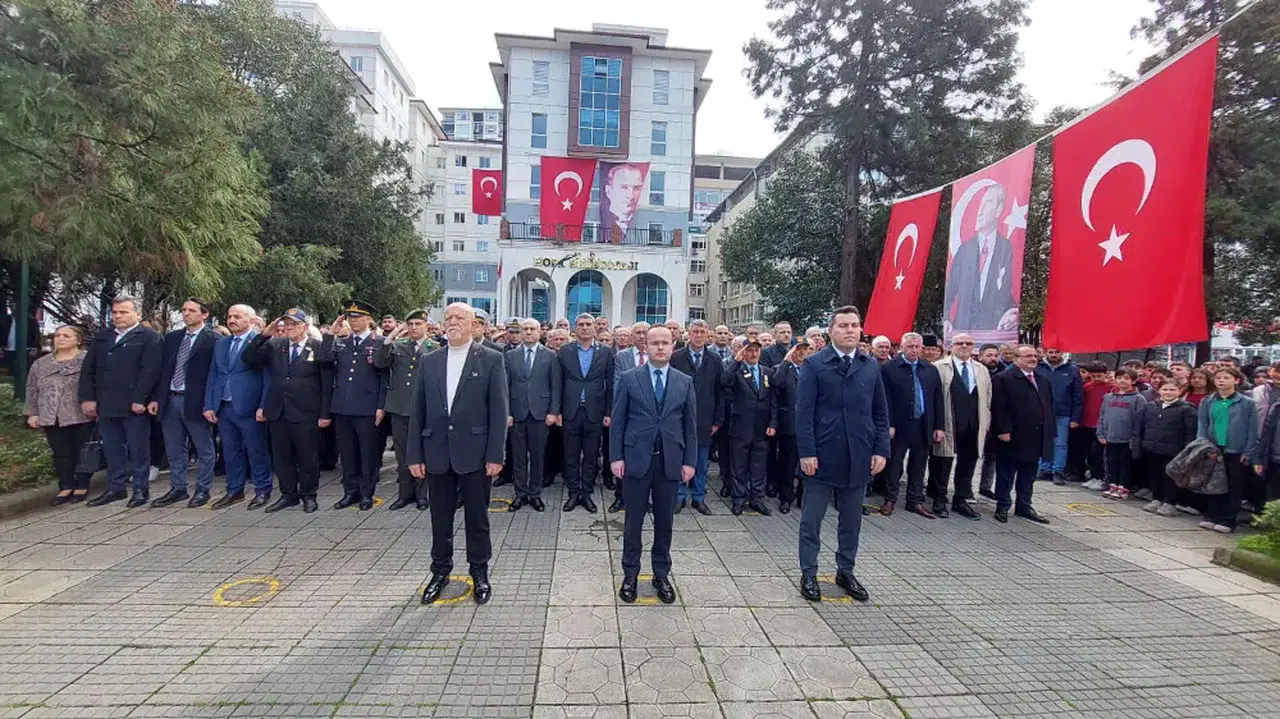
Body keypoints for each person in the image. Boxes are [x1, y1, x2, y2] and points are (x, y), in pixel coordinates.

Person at [410, 302, 507, 605]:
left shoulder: (491, 359)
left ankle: (480, 573)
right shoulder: (430, 360)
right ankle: (440, 572)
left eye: (459, 318)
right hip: (437, 452)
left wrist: (496, 455)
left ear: (473, 323)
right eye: (448, 317)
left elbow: (498, 410)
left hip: (475, 454)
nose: (452, 322)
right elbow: (418, 410)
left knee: (477, 518)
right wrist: (414, 455)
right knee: (440, 518)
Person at [796, 306, 889, 602]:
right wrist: (807, 452)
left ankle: (845, 571)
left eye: (854, 325)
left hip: (858, 453)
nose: (850, 330)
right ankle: (808, 573)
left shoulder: (869, 365)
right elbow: (803, 412)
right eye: (843, 326)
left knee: (851, 521)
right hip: (822, 455)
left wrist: (881, 449)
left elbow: (880, 412)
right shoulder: (814, 364)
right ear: (831, 331)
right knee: (812, 520)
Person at [610, 326, 696, 604]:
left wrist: (690, 461)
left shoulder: (684, 381)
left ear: (673, 345)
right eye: (654, 343)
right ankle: (630, 574)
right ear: (645, 346)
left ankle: (661, 574)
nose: (660, 347)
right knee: (633, 521)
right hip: (636, 460)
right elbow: (618, 421)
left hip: (670, 462)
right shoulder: (629, 379)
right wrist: (616, 457)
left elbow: (690, 426)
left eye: (665, 343)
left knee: (665, 522)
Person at [241, 308, 332, 513]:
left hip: (306, 412)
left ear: (305, 326)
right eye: (287, 324)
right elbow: (248, 358)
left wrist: (325, 413)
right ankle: (288, 495)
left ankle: (309, 495)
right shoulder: (275, 345)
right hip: (278, 411)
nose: (290, 328)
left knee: (308, 457)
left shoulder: (317, 346)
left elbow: (326, 383)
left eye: (294, 324)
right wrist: (264, 334)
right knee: (282, 457)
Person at [79, 296, 164, 507]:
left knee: (138, 449)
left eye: (124, 312)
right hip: (106, 401)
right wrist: (87, 398)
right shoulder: (103, 337)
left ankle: (140, 490)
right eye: (115, 312)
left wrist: (141, 399)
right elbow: (89, 370)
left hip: (134, 403)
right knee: (111, 447)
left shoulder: (149, 337)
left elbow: (150, 371)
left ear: (137, 314)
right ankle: (115, 488)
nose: (118, 316)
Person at [148, 298, 219, 508]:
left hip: (195, 400)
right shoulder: (173, 338)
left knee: (204, 448)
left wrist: (210, 404)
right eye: (184, 310)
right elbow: (163, 370)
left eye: (192, 310)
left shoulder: (214, 339)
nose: (186, 313)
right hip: (170, 398)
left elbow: (215, 375)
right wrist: (156, 398)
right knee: (174, 448)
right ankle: (178, 488)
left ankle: (203, 489)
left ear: (204, 314)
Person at [319, 300, 387, 511]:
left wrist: (381, 405)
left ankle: (366, 493)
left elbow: (384, 377)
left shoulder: (379, 343)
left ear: (368, 319)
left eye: (358, 317)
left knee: (368, 454)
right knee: (347, 454)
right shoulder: (341, 342)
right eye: (350, 317)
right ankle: (350, 491)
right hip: (343, 406)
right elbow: (324, 358)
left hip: (367, 407)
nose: (354, 321)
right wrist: (330, 333)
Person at [205, 304, 272, 509]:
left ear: (251, 320)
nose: (232, 320)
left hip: (249, 406)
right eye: (229, 316)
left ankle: (262, 489)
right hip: (224, 407)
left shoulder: (260, 342)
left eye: (237, 316)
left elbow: (268, 377)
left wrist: (263, 405)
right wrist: (209, 404)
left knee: (256, 450)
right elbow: (214, 374)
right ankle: (234, 490)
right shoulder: (222, 343)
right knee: (230, 451)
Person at [879, 332, 944, 518]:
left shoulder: (930, 369)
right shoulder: (890, 368)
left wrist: (939, 426)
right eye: (910, 347)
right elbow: (884, 398)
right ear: (902, 347)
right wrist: (889, 423)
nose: (914, 350)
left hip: (923, 423)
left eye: (917, 347)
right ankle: (890, 498)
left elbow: (937, 399)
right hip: (899, 424)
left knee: (919, 463)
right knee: (894, 463)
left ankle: (914, 500)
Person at [375, 310, 436, 511]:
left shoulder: (435, 347)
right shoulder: (398, 346)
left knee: (422, 452)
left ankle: (422, 494)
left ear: (426, 326)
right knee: (402, 454)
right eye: (410, 324)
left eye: (418, 324)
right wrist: (389, 338)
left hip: (424, 408)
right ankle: (404, 494)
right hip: (399, 407)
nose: (414, 328)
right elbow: (380, 363)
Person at [26, 326, 93, 505]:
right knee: (60, 452)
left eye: (66, 336)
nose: (60, 338)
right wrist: (33, 413)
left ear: (78, 340)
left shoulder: (87, 360)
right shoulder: (41, 363)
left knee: (81, 450)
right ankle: (66, 485)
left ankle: (82, 484)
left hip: (79, 413)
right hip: (50, 413)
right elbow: (31, 389)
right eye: (57, 335)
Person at [556, 313, 614, 513]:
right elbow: (558, 383)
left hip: (595, 410)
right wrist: (557, 411)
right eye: (581, 324)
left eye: (589, 324)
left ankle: (587, 492)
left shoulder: (606, 351)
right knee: (570, 454)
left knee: (591, 454)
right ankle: (573, 492)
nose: (585, 327)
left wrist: (608, 412)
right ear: (575, 328)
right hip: (570, 410)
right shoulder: (565, 351)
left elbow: (610, 384)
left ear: (595, 327)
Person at [989, 345, 1053, 524]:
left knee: (1029, 473)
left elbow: (1048, 406)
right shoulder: (1004, 378)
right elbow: (999, 406)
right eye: (1028, 356)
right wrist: (1003, 429)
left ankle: (1024, 505)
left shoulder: (1041, 379)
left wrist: (1050, 430)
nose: (1033, 359)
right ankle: (1003, 505)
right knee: (1006, 473)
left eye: (1035, 356)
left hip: (1036, 435)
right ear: (1016, 358)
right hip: (1013, 435)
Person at [927, 333, 988, 520]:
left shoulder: (981, 369)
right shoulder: (939, 367)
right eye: (959, 343)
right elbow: (933, 398)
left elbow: (988, 399)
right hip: (949, 424)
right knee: (943, 463)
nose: (964, 346)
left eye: (968, 343)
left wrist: (986, 422)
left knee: (968, 464)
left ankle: (961, 500)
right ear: (951, 346)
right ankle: (939, 499)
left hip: (973, 425)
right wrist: (937, 425)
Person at [944, 183, 1017, 335]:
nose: (980, 210)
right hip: (962, 332)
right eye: (980, 204)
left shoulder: (1007, 248)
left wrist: (1013, 312)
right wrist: (946, 319)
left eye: (988, 203)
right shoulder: (964, 250)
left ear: (999, 210)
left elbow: (1007, 290)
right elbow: (950, 291)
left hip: (992, 333)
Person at [506, 318, 561, 512]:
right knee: (518, 456)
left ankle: (535, 494)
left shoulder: (550, 356)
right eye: (525, 329)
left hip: (540, 413)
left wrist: (553, 411)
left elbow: (556, 386)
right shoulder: (510, 355)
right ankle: (520, 494)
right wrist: (507, 413)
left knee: (538, 456)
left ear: (539, 332)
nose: (528, 332)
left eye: (532, 329)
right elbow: (505, 386)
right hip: (517, 413)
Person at [670, 319, 721, 515]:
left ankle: (698, 498)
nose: (698, 335)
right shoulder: (676, 357)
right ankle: (679, 496)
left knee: (701, 462)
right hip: (680, 417)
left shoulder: (715, 359)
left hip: (705, 419)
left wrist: (717, 420)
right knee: (680, 458)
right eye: (695, 332)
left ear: (707, 335)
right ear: (688, 334)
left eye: (702, 332)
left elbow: (720, 392)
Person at [1196, 367, 1257, 533]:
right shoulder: (1208, 401)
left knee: (1233, 485)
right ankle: (1211, 515)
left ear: (1236, 380)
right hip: (1214, 448)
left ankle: (1228, 520)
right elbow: (1203, 425)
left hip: (1235, 449)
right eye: (1218, 378)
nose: (1221, 381)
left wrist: (1249, 451)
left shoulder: (1246, 403)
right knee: (1214, 483)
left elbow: (1252, 429)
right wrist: (1203, 446)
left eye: (1226, 378)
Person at [722, 339, 777, 516]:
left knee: (759, 465)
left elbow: (773, 401)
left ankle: (756, 498)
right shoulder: (736, 371)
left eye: (756, 351)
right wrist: (736, 362)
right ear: (743, 352)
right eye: (750, 350)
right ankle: (738, 499)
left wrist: (773, 423)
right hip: (741, 426)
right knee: (739, 465)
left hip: (761, 427)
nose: (754, 354)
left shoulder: (767, 372)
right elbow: (724, 381)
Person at [1137, 380, 1198, 516]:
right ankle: (1157, 499)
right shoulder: (1151, 406)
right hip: (1153, 448)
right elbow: (1142, 426)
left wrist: (1186, 450)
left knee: (1170, 477)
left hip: (1174, 451)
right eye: (1165, 389)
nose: (1168, 393)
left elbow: (1190, 432)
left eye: (1172, 390)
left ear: (1180, 391)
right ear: (1159, 390)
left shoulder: (1187, 409)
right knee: (1154, 475)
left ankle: (1170, 503)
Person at [609, 321, 651, 511]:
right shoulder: (622, 356)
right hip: (627, 413)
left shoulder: (657, 355)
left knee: (647, 459)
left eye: (645, 332)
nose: (641, 336)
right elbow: (618, 384)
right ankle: (620, 497)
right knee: (624, 456)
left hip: (650, 416)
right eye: (638, 333)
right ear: (632, 336)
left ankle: (645, 499)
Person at [770, 340, 811, 513]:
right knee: (788, 464)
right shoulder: (782, 368)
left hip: (809, 426)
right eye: (798, 349)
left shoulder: (812, 369)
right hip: (790, 424)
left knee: (807, 464)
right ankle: (785, 497)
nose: (802, 353)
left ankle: (803, 497)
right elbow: (776, 383)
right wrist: (786, 362)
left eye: (805, 349)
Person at [1097, 369, 1147, 501]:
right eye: (1119, 378)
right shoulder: (1108, 397)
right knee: (1111, 462)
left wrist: (1135, 438)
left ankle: (1123, 487)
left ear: (1133, 381)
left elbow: (1140, 420)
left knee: (1125, 464)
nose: (1122, 381)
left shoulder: (1138, 399)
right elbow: (1102, 415)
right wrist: (1100, 433)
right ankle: (1112, 485)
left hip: (1127, 439)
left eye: (1126, 378)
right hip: (1110, 437)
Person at [1039, 348, 1084, 485]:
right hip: (1042, 412)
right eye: (1051, 352)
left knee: (1060, 444)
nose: (1053, 355)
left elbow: (1078, 395)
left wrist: (1075, 417)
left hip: (1063, 412)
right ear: (1046, 353)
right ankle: (1044, 469)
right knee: (1044, 442)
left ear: (1061, 353)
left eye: (1056, 352)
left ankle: (1057, 471)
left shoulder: (1072, 370)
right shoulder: (1039, 368)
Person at [1077, 362, 1113, 490]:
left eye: (1099, 376)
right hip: (1086, 423)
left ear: (1106, 374)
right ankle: (1093, 476)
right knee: (1089, 452)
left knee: (1098, 453)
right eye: (1093, 376)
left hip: (1101, 425)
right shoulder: (1087, 387)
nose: (1096, 379)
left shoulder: (1111, 388)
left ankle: (1102, 477)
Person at [600, 163, 646, 236]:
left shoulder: (640, 218)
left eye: (636, 188)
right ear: (608, 191)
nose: (631, 196)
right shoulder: (604, 218)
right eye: (624, 187)